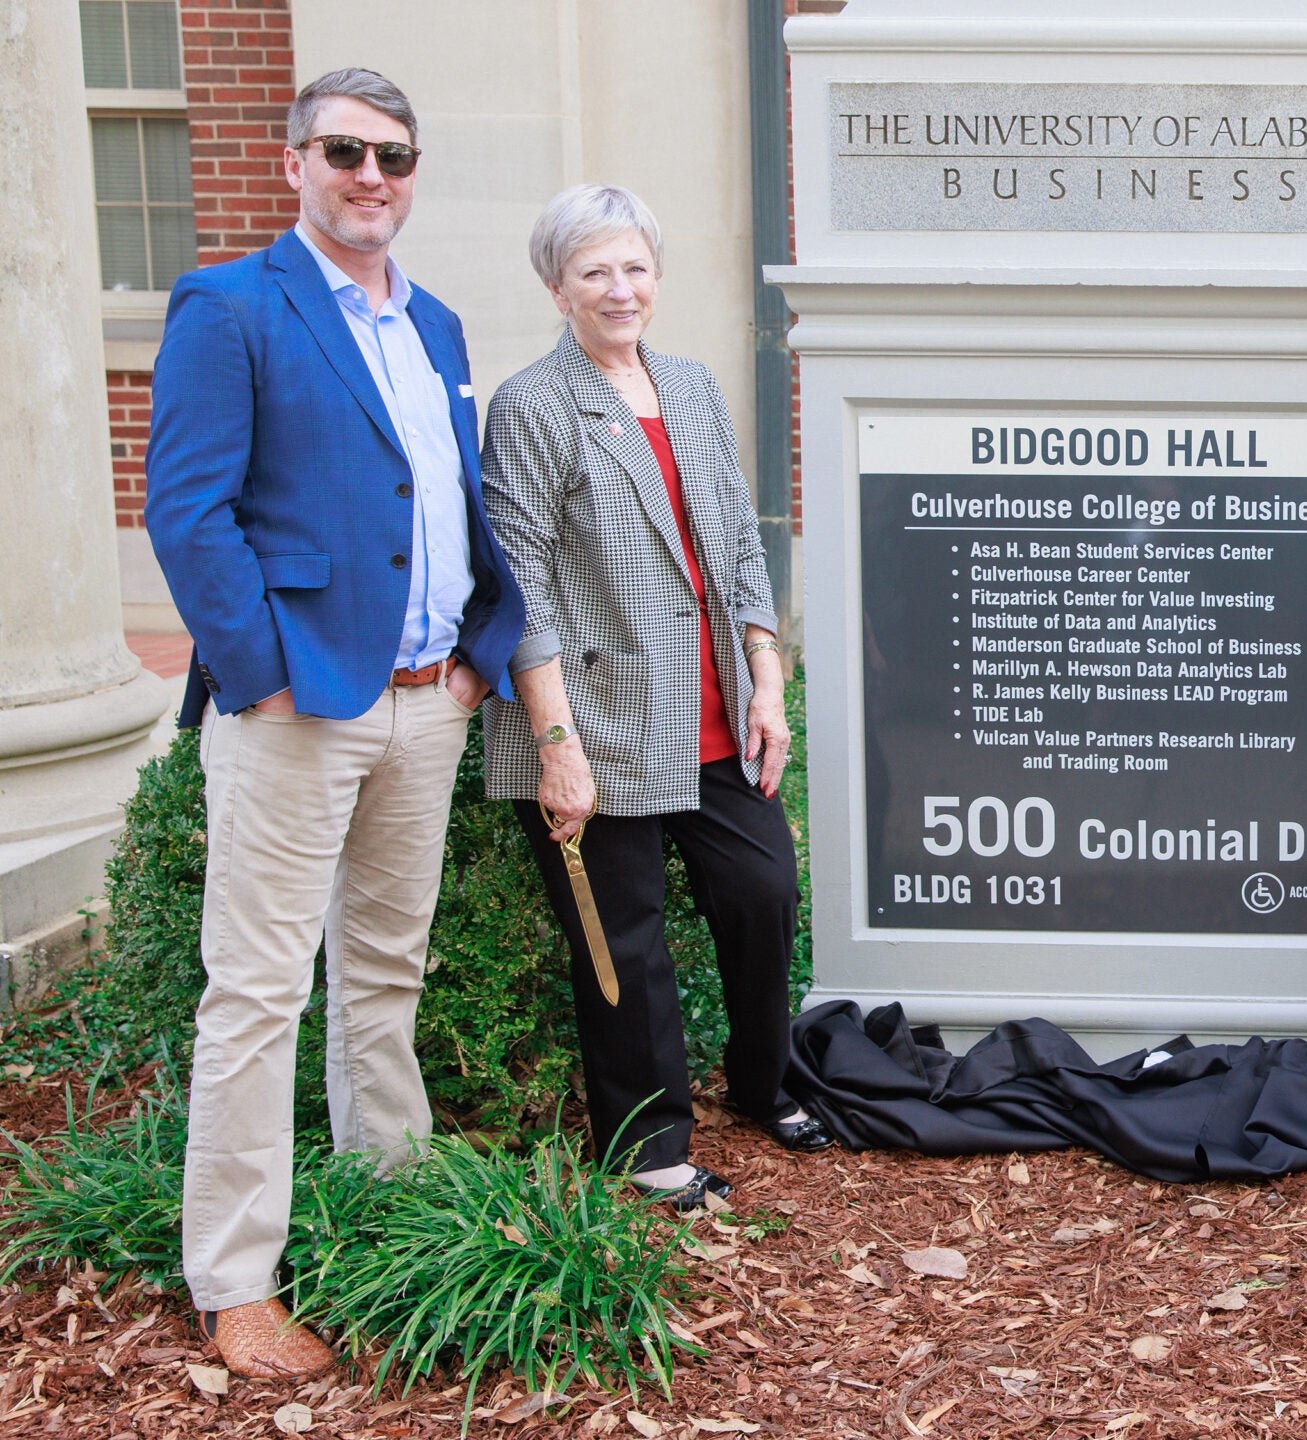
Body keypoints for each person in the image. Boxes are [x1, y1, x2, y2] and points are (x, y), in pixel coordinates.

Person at [143, 68, 527, 1378]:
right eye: (348, 152)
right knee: (255, 995)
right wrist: (263, 674)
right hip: (300, 709)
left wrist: (482, 661)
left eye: (396, 157)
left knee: (382, 980)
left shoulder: (441, 328)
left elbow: (459, 505)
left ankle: (388, 1198)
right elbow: (188, 512)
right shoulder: (231, 306)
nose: (374, 177)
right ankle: (236, 1276)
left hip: (428, 709)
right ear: (295, 159)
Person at [479, 184, 828, 1214]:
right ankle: (649, 1146)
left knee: (764, 894)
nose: (618, 288)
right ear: (557, 288)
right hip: (600, 716)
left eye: (634, 268)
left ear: (657, 279)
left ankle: (765, 1083)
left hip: (717, 708)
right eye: (594, 271)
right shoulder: (534, 405)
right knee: (622, 940)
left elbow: (738, 546)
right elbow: (522, 580)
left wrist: (767, 683)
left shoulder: (690, 385)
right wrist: (555, 741)